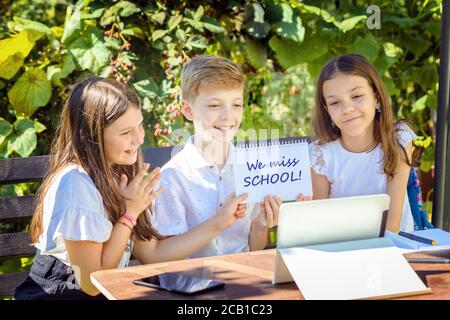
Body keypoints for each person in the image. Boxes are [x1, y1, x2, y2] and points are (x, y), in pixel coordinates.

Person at [14, 77, 247, 300]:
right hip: (62, 294)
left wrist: (221, 222)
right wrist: (129, 215)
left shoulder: (118, 171)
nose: (138, 139)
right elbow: (91, 283)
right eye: (126, 133)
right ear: (89, 136)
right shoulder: (75, 183)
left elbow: (154, 254)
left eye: (139, 126)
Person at [152, 55, 284, 258]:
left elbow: (252, 249)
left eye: (236, 105)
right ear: (188, 110)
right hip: (193, 285)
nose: (228, 116)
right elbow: (164, 257)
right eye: (214, 106)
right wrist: (219, 222)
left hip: (243, 279)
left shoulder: (252, 169)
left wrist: (261, 224)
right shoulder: (171, 178)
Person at [310, 54, 417, 233]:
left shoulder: (398, 138)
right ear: (326, 109)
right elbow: (319, 222)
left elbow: (392, 225)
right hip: (342, 246)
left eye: (357, 96)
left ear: (376, 97)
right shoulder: (320, 155)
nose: (347, 109)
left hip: (395, 247)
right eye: (335, 102)